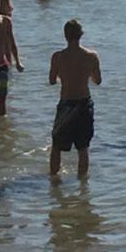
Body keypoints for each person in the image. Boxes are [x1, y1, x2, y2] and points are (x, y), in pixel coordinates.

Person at [49, 19, 102, 178]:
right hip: (84, 103)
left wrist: (65, 76)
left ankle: (53, 180)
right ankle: (82, 185)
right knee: (83, 147)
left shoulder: (58, 57)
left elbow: (52, 80)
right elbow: (98, 81)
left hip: (66, 104)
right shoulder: (91, 56)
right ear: (81, 35)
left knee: (57, 145)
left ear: (65, 35)